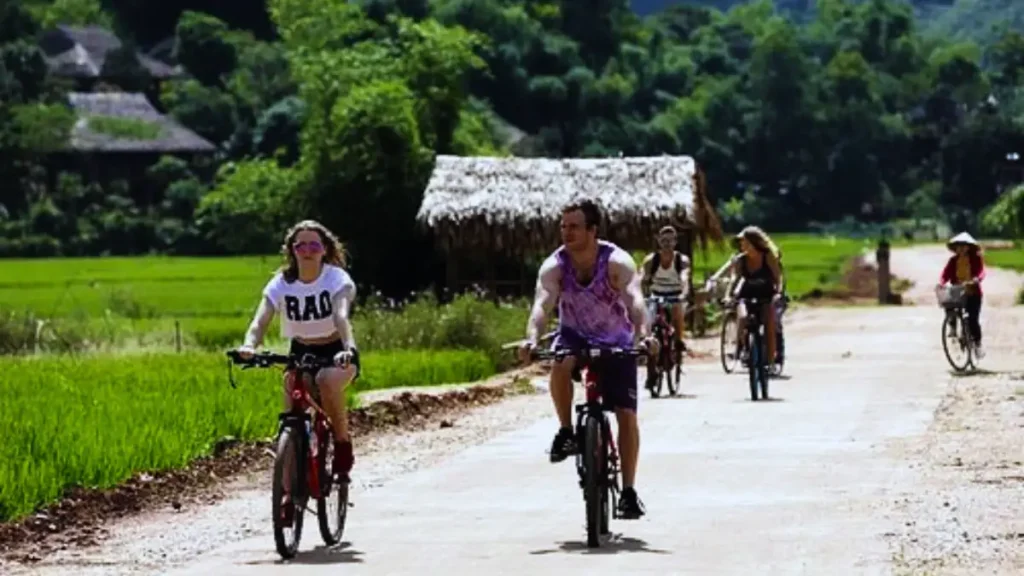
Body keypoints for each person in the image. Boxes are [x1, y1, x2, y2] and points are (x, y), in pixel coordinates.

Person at [518, 199, 657, 519]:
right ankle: (566, 430)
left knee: (626, 414)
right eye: (563, 226)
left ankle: (629, 491)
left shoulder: (617, 262)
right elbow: (542, 305)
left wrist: (645, 334)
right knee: (560, 362)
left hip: (615, 340)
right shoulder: (554, 266)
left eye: (574, 227)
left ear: (593, 230)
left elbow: (635, 300)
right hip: (574, 336)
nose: (566, 232)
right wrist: (532, 338)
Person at [235, 220, 360, 523]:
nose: (307, 251)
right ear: (291, 250)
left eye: (314, 245)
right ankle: (289, 495)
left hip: (336, 350)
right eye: (300, 245)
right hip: (301, 350)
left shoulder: (336, 278)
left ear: (325, 250)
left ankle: (342, 444)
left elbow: (342, 316)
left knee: (326, 381)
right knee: (291, 409)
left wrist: (349, 348)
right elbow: (260, 320)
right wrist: (249, 345)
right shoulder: (282, 282)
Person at [725, 226, 783, 364]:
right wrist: (728, 295)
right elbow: (734, 279)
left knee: (769, 323)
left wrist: (778, 293)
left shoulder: (767, 256)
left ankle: (770, 360)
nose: (741, 245)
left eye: (744, 242)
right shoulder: (740, 260)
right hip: (746, 294)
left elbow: (778, 277)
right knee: (743, 317)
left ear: (753, 242)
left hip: (766, 294)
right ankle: (742, 347)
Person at [639, 225, 691, 357]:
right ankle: (648, 345)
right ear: (658, 241)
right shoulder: (651, 260)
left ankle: (679, 341)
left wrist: (683, 294)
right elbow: (642, 277)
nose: (667, 244)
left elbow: (685, 277)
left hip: (675, 296)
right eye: (664, 240)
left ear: (675, 242)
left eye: (670, 240)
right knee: (649, 319)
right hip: (656, 295)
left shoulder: (681, 260)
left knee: (677, 312)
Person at [938, 232, 986, 358]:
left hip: (973, 292)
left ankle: (977, 344)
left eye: (963, 246)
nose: (961, 249)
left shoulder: (976, 259)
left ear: (969, 247)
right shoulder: (953, 261)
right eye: (958, 246)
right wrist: (942, 283)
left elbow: (981, 272)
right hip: (957, 291)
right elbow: (945, 274)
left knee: (972, 319)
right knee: (947, 302)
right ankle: (952, 326)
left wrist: (976, 279)